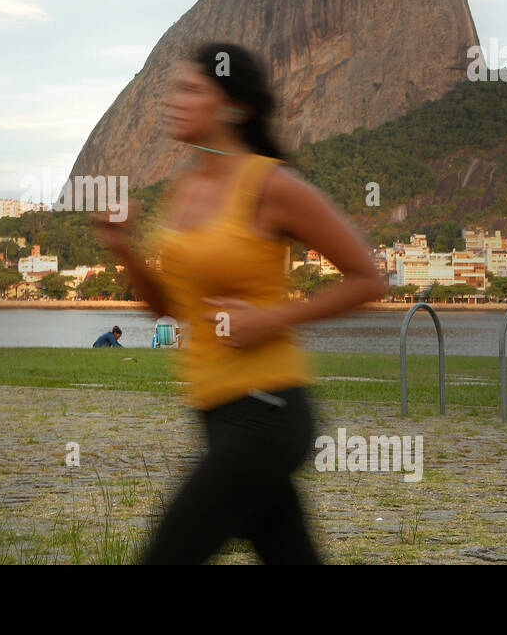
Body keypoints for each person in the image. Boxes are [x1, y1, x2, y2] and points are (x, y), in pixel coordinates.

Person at [95, 43, 386, 565]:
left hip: (267, 411)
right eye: (173, 89)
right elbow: (172, 310)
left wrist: (268, 319)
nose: (172, 100)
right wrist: (125, 249)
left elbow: (368, 278)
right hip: (215, 411)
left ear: (231, 106)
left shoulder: (269, 184)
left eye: (190, 90)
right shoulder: (182, 190)